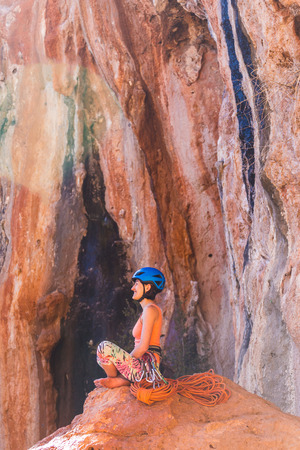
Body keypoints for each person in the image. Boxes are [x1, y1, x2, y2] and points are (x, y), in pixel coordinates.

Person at [94, 267, 166, 389]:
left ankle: (120, 380)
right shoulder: (148, 310)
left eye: (137, 284)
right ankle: (120, 381)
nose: (133, 288)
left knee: (103, 348)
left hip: (146, 368)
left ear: (147, 287)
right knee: (101, 357)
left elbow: (143, 347)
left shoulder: (151, 310)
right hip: (140, 366)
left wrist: (124, 367)